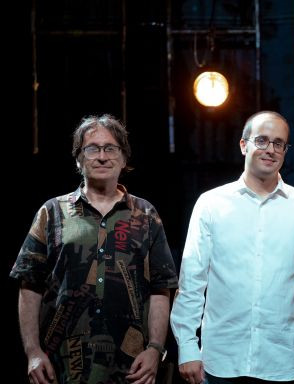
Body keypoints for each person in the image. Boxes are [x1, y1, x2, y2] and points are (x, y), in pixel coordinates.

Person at [10, 114, 178, 384]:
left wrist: (155, 349)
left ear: (124, 159)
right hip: (60, 365)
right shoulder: (52, 212)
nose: (102, 156)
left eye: (111, 148)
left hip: (131, 367)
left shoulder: (146, 215)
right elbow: (29, 285)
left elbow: (161, 287)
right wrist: (33, 352)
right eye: (92, 148)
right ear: (79, 159)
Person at [170, 111, 294, 384]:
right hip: (221, 360)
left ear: (285, 150)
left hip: (283, 360)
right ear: (243, 145)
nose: (270, 149)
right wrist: (188, 347)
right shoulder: (211, 203)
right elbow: (191, 281)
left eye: (278, 143)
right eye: (261, 140)